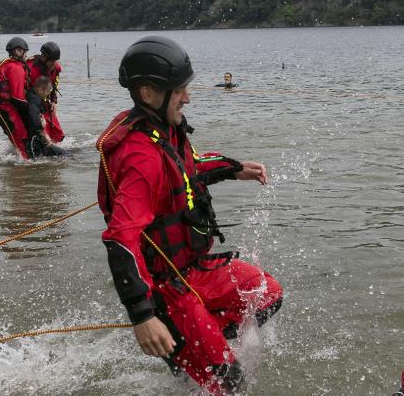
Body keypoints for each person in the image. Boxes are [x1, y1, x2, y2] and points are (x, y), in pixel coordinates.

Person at [96, 35, 283, 394]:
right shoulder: (140, 159)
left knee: (266, 292)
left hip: (193, 270)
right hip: (168, 289)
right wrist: (143, 317)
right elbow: (121, 239)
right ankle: (194, 354)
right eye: (179, 89)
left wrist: (233, 168)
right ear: (148, 93)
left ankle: (193, 359)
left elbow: (189, 165)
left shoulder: (163, 129)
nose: (187, 97)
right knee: (232, 386)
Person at [0, 37, 31, 159]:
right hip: (6, 110)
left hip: (0, 110)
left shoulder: (6, 64)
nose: (26, 54)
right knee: (21, 137)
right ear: (18, 51)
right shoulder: (15, 68)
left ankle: (15, 167)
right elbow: (18, 98)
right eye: (24, 51)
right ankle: (25, 166)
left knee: (17, 141)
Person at [27, 41, 64, 143]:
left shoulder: (55, 68)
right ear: (43, 57)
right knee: (42, 134)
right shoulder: (31, 69)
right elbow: (25, 90)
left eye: (55, 60)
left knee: (57, 135)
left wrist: (54, 101)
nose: (54, 63)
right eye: (51, 60)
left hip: (45, 102)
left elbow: (54, 86)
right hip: (32, 102)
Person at [25, 76, 66, 158]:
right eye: (47, 91)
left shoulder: (31, 96)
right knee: (64, 155)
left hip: (31, 137)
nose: (48, 94)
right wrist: (45, 135)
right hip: (33, 139)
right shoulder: (34, 100)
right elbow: (34, 119)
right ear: (40, 90)